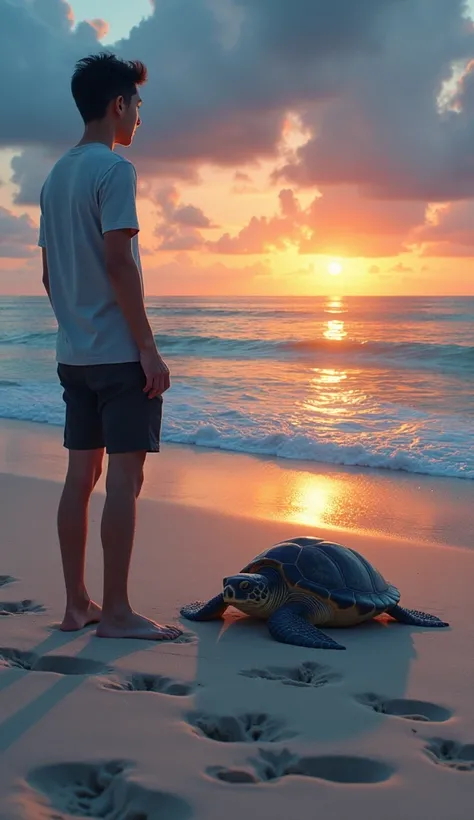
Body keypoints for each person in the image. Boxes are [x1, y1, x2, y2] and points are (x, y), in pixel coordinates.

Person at [38, 52, 182, 641]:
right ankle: (117, 612)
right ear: (117, 104)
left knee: (80, 478)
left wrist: (76, 328)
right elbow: (120, 264)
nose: (140, 117)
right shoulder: (114, 172)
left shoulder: (53, 177)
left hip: (74, 357)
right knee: (125, 481)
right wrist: (147, 348)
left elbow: (51, 277)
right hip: (120, 357)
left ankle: (78, 605)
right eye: (138, 105)